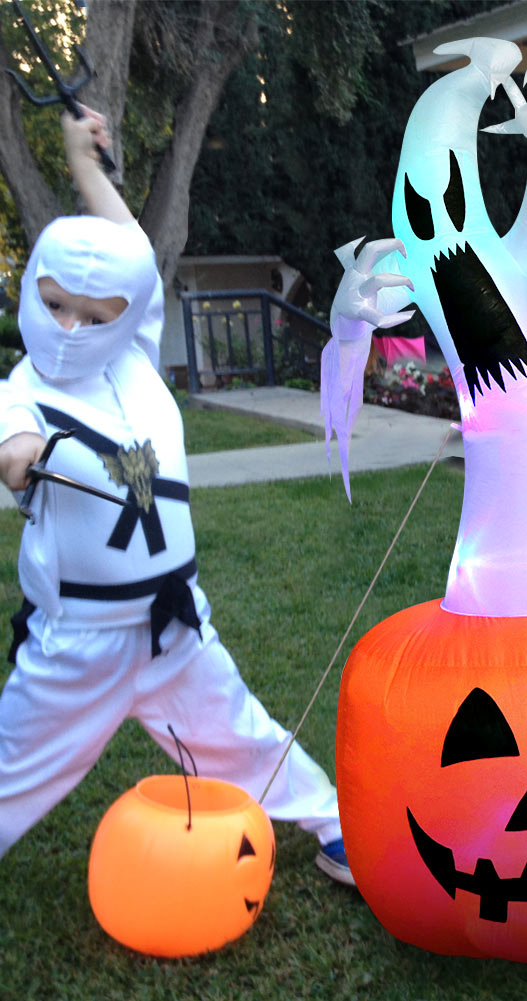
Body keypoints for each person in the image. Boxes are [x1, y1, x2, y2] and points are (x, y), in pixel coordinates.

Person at [0, 107, 352, 884]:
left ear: (123, 316)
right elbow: (13, 445)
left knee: (241, 732)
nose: (70, 327)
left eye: (93, 314)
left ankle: (333, 825)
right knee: (11, 767)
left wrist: (83, 161)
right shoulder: (19, 391)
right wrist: (21, 454)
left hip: (174, 627)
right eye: (54, 305)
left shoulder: (132, 354)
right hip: (79, 645)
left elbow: (127, 253)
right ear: (30, 291)